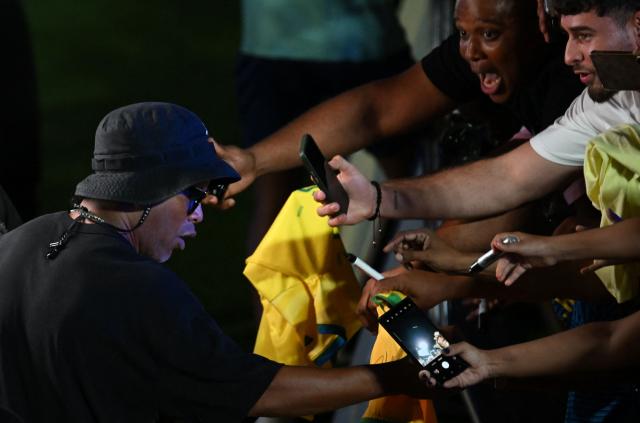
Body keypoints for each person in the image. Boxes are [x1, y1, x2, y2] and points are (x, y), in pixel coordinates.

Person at [0, 103, 433, 422]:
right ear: (151, 190)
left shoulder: (18, 242)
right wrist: (398, 376)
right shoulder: (138, 289)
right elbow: (262, 392)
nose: (199, 214)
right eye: (194, 196)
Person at [214, 0, 583, 208]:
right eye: (462, 34)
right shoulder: (478, 50)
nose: (470, 51)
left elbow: (509, 180)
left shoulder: (582, 87)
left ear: (542, 20)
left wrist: (381, 202)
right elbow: (375, 110)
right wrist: (254, 160)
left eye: (488, 34)